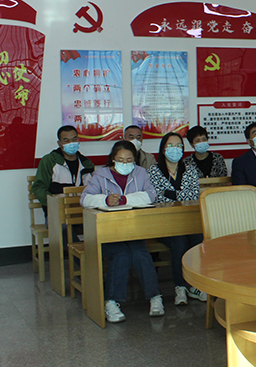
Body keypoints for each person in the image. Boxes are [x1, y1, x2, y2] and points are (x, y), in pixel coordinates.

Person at [81, 140, 163, 323]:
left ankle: (155, 297)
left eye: (129, 160)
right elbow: (85, 199)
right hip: (107, 232)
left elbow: (151, 195)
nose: (125, 164)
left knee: (140, 252)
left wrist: (125, 199)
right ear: (113, 159)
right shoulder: (100, 175)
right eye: (120, 160)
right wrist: (105, 200)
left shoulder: (141, 173)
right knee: (122, 254)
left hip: (133, 230)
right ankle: (111, 302)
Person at [147, 133, 208, 306]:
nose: (175, 149)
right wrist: (177, 195)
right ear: (163, 149)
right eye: (171, 145)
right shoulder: (153, 171)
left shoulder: (190, 169)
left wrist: (169, 193)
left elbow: (193, 195)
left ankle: (196, 285)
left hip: (188, 221)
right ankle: (180, 287)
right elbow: (156, 197)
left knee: (198, 240)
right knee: (179, 243)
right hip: (164, 223)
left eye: (179, 146)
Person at [33, 125, 95, 215]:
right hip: (57, 212)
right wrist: (54, 204)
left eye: (74, 139)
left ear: (78, 140)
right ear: (59, 143)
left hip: (82, 211)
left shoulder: (86, 163)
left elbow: (93, 188)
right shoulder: (49, 161)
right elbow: (39, 188)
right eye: (66, 140)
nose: (71, 143)